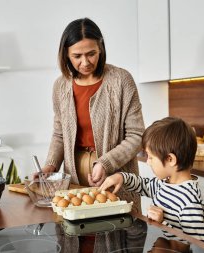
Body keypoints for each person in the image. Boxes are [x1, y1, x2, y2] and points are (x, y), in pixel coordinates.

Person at [42, 17, 145, 212]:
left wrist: (106, 163)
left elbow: (137, 135)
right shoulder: (60, 86)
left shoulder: (122, 80)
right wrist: (50, 165)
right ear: (66, 55)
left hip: (115, 172)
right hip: (74, 173)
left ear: (101, 49)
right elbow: (60, 134)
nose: (85, 62)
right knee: (79, 234)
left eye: (91, 54)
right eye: (77, 56)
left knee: (118, 233)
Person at [99, 117, 204, 243]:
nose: (148, 162)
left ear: (170, 159)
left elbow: (197, 247)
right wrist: (122, 177)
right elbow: (143, 185)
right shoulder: (165, 184)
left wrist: (162, 223)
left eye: (151, 157)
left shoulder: (190, 204)